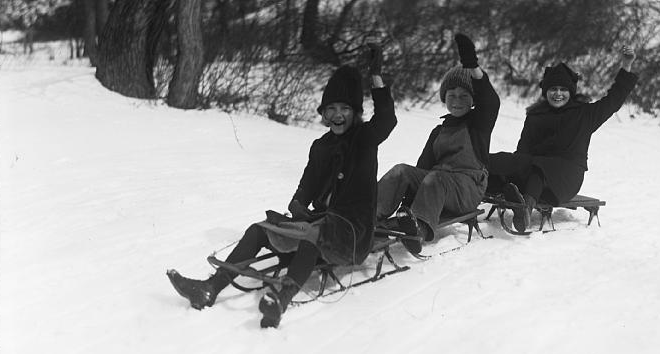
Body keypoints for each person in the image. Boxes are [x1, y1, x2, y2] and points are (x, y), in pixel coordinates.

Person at [166, 44, 397, 328]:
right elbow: (308, 184)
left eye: (345, 109)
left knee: (313, 236)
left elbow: (387, 119)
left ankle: (281, 299)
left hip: (352, 231)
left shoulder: (364, 139)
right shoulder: (321, 145)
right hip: (320, 221)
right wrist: (298, 203)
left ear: (356, 113)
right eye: (331, 108)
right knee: (261, 229)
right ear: (324, 112)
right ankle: (210, 288)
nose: (338, 115)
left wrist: (376, 77)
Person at [487, 45, 638, 233]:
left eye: (563, 89)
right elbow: (523, 151)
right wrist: (511, 167)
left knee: (538, 169)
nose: (558, 94)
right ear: (546, 92)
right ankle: (486, 188)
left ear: (570, 91)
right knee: (501, 161)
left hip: (566, 177)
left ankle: (525, 210)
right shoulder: (536, 116)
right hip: (535, 166)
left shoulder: (584, 115)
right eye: (553, 89)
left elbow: (614, 100)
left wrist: (626, 66)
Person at [375, 33, 500, 253]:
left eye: (464, 96)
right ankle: (371, 215)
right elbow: (423, 167)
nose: (457, 101)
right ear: (444, 98)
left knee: (436, 178)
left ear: (473, 100)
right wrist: (409, 194)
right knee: (401, 171)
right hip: (438, 184)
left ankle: (420, 229)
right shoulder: (439, 131)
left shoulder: (479, 124)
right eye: (451, 95)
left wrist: (473, 67)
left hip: (468, 188)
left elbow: (490, 101)